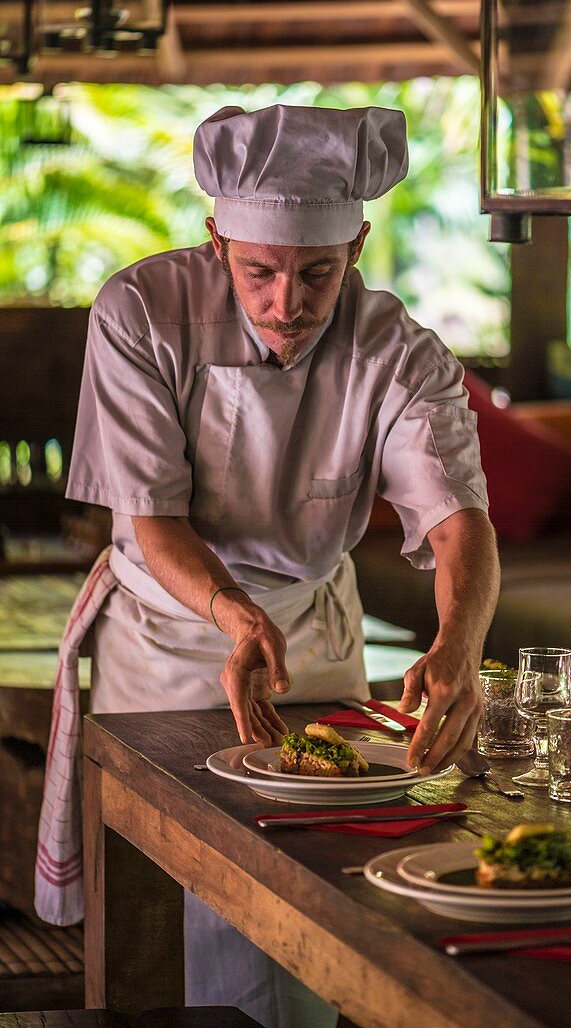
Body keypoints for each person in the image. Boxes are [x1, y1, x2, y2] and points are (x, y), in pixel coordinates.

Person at [37, 103, 499, 1026]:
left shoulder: (397, 350)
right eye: (259, 272)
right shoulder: (139, 312)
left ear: (359, 245)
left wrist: (460, 642)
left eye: (318, 273)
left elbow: (459, 521)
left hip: (318, 640)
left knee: (321, 885)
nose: (287, 303)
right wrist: (238, 615)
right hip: (172, 638)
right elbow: (154, 524)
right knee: (190, 903)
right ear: (216, 241)